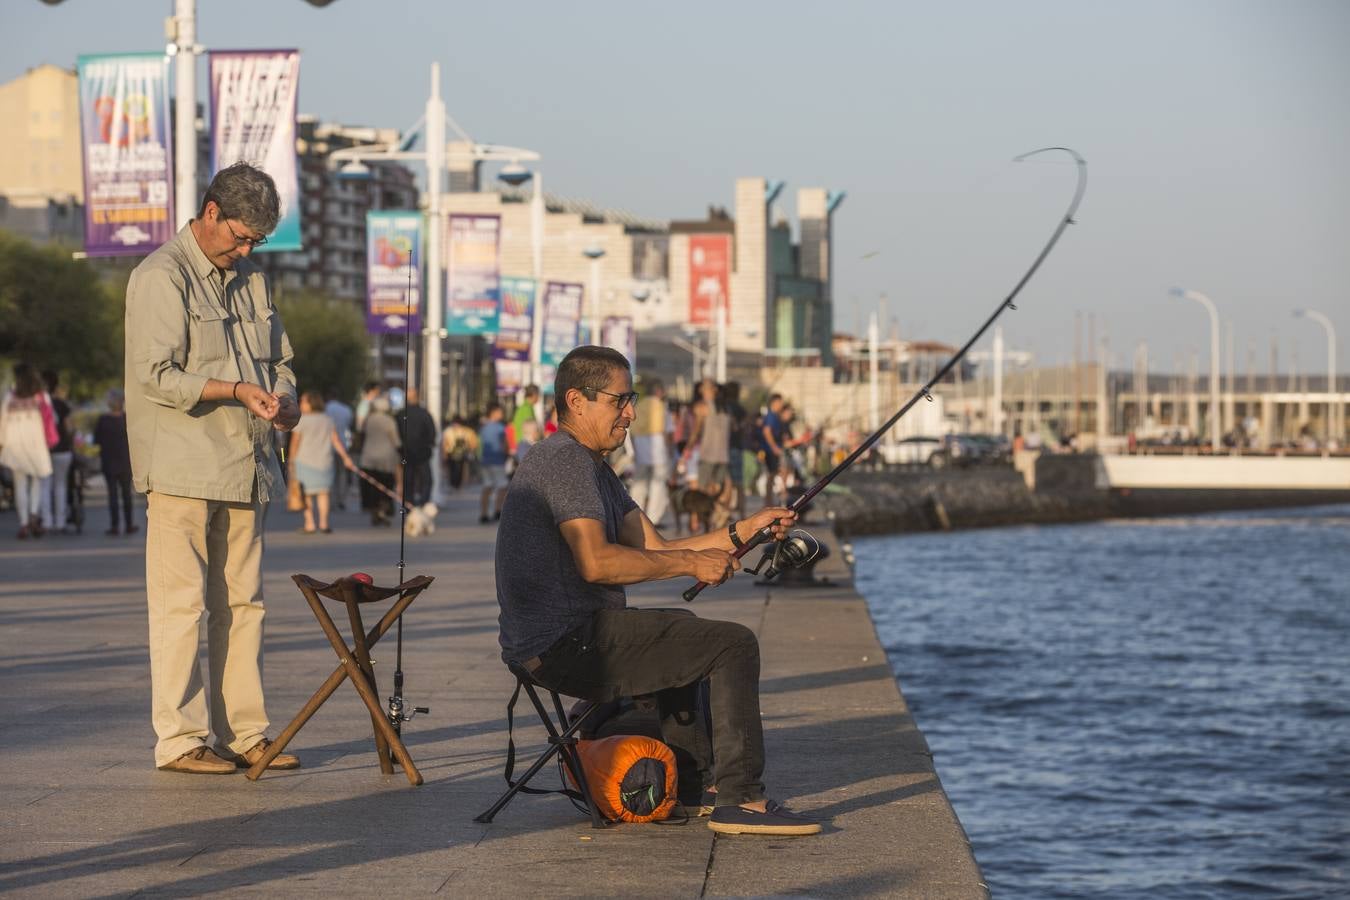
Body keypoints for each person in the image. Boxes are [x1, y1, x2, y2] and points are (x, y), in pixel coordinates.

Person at [494, 345, 821, 836]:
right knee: (733, 643)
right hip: (562, 644)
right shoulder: (565, 463)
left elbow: (655, 545)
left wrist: (744, 531)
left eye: (633, 398)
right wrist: (692, 563)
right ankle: (741, 799)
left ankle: (695, 783)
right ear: (576, 401)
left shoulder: (593, 468)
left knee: (686, 631)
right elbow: (598, 562)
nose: (630, 413)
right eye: (619, 400)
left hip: (570, 637)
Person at [124, 162, 302, 775]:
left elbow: (280, 358)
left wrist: (286, 398)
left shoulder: (252, 279)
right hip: (181, 469)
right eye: (240, 235)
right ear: (209, 212)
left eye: (257, 240)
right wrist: (232, 388)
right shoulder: (160, 276)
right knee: (181, 607)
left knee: (245, 604)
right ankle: (180, 738)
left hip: (248, 464)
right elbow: (154, 375)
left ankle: (246, 732)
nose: (246, 249)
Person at [0, 363, 54, 539]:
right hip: (36, 445)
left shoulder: (10, 396)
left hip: (15, 447)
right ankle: (33, 515)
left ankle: (23, 523)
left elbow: (3, 422)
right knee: (37, 482)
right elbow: (51, 420)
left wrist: (2, 443)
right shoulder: (41, 396)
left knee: (20, 485)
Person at [289, 391, 355, 533]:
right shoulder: (327, 420)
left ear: (311, 403)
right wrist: (345, 457)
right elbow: (336, 441)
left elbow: (295, 443)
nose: (301, 403)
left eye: (303, 401)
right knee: (323, 494)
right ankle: (324, 524)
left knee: (307, 495)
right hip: (325, 462)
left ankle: (310, 524)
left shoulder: (301, 420)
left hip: (304, 462)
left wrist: (290, 461)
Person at [628, 379, 673, 527]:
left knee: (639, 484)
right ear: (659, 391)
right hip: (658, 447)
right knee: (658, 484)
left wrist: (634, 450)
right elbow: (667, 431)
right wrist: (670, 451)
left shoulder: (639, 406)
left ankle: (635, 516)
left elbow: (632, 430)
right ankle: (653, 519)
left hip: (641, 447)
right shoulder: (661, 406)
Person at [93, 388, 137, 536]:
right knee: (126, 494)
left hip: (109, 462)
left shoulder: (103, 420)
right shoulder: (128, 419)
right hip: (126, 462)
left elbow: (96, 440)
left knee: (112, 495)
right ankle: (129, 524)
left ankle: (115, 526)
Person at [357, 395, 400, 527]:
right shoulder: (389, 421)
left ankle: (374, 510)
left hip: (368, 457)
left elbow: (360, 432)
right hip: (386, 458)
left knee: (372, 487)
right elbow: (396, 440)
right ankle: (383, 510)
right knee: (386, 486)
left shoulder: (368, 420)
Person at [41, 370, 75, 533]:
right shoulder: (62, 405)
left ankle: (47, 521)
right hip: (62, 450)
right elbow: (69, 428)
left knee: (45, 486)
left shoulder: (38, 404)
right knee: (60, 485)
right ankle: (60, 522)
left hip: (43, 450)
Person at [396, 387, 437, 507]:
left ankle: (409, 504)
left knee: (408, 480)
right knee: (426, 480)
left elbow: (396, 433)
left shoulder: (400, 414)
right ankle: (423, 503)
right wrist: (430, 443)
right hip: (422, 452)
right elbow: (432, 432)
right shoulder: (424, 413)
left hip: (406, 452)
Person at [324, 390, 354, 510]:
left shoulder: (325, 408)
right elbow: (350, 425)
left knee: (330, 474)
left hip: (327, 446)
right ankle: (341, 499)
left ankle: (331, 501)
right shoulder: (346, 409)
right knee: (342, 474)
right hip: (343, 444)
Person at [478, 403, 508, 524]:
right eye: (500, 412)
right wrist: (507, 454)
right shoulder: (500, 428)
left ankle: (483, 513)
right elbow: (504, 444)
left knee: (487, 486)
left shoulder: (483, 428)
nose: (502, 414)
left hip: (485, 461)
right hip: (498, 460)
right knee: (502, 486)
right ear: (494, 413)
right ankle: (498, 510)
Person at [759, 394, 788, 506]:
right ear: (774, 402)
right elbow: (767, 431)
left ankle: (770, 501)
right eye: (780, 402)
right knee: (771, 475)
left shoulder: (776, 416)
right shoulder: (771, 416)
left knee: (773, 475)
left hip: (773, 450)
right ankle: (768, 502)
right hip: (770, 451)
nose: (781, 405)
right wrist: (774, 447)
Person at [440, 415, 478, 492]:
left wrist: (471, 450)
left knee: (461, 470)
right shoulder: (448, 431)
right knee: (452, 469)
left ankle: (459, 485)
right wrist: (444, 454)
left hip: (463, 454)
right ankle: (453, 484)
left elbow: (473, 441)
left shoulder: (466, 431)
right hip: (451, 454)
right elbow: (444, 443)